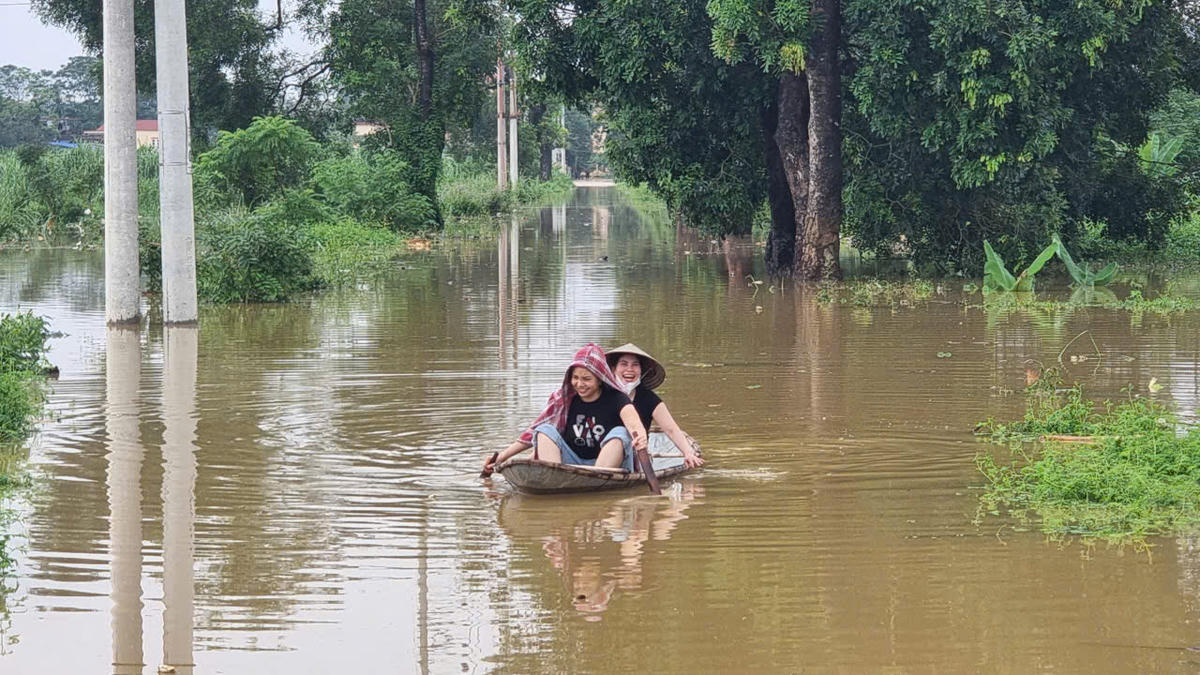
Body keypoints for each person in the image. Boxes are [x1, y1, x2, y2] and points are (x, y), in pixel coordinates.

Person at [482, 343, 648, 477]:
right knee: (543, 430)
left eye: (586, 379)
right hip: (570, 464)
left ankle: (596, 479)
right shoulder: (565, 399)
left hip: (607, 467)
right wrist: (501, 458)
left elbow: (634, 425)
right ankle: (555, 477)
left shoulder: (617, 398)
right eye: (575, 378)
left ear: (599, 380)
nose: (580, 384)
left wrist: (640, 438)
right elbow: (529, 435)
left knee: (621, 433)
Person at [606, 343, 704, 468]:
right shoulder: (604, 394)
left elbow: (671, 429)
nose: (629, 369)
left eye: (635, 365)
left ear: (641, 370)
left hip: (635, 456)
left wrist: (688, 453)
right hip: (604, 452)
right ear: (613, 369)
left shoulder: (648, 398)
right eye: (624, 364)